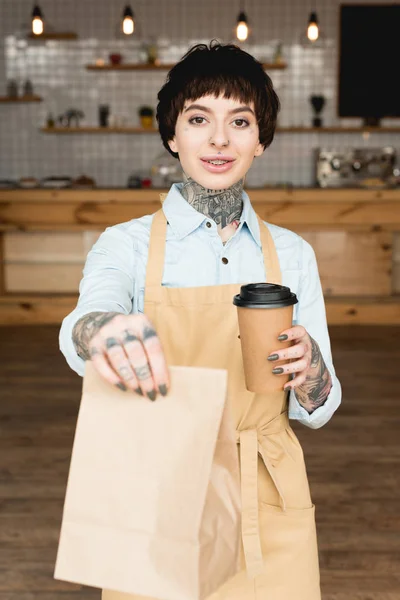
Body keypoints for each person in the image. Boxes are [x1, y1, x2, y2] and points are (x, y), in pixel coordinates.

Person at [59, 40, 342, 600]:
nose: (219, 139)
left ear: (260, 141)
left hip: (267, 485)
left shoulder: (293, 255)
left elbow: (321, 407)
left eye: (240, 121)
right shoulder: (127, 245)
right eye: (198, 118)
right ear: (172, 135)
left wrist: (310, 372)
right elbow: (84, 323)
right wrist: (101, 331)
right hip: (161, 484)